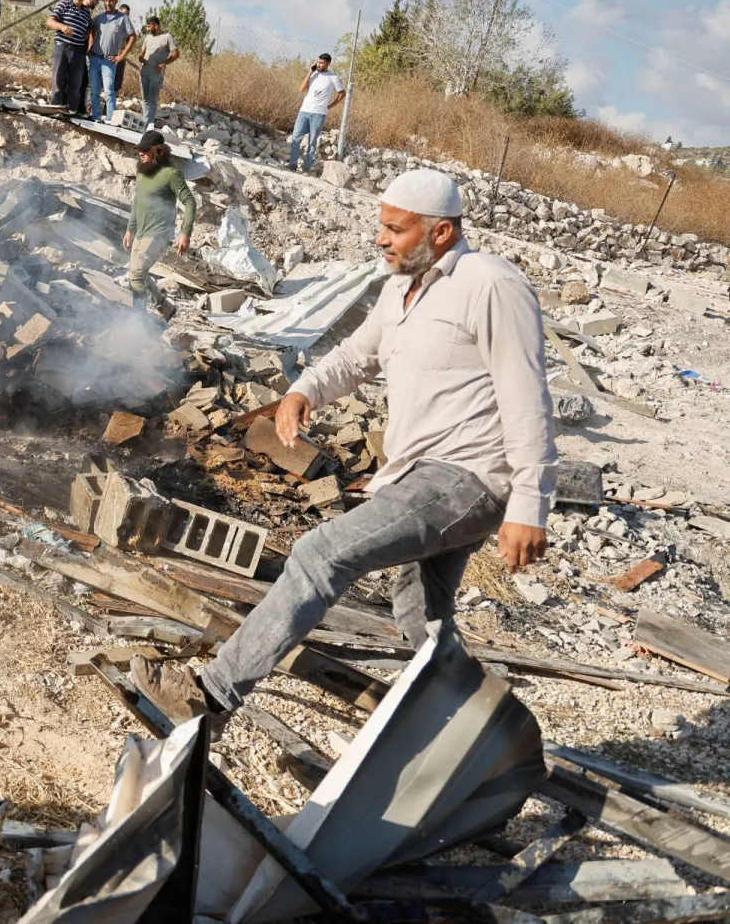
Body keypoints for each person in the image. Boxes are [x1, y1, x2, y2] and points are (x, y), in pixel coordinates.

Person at [130, 169, 556, 726]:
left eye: (396, 230)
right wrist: (303, 391)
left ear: (441, 232)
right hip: (417, 474)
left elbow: (527, 395)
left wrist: (529, 504)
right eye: (382, 226)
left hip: (467, 475)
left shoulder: (490, 284)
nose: (381, 239)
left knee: (321, 553)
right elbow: (357, 356)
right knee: (419, 612)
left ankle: (209, 696)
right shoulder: (400, 290)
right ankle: (478, 726)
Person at [122, 130, 194, 312]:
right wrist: (130, 229)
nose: (140, 153)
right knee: (137, 272)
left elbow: (189, 201)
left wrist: (186, 233)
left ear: (157, 151)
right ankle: (164, 307)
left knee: (136, 274)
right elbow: (137, 200)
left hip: (159, 232)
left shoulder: (171, 173)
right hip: (141, 231)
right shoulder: (142, 171)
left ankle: (138, 319)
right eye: (140, 149)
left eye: (145, 150)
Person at [289, 52, 345, 172]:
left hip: (319, 113)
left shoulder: (333, 78)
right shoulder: (313, 74)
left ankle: (306, 168)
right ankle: (292, 164)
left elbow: (342, 93)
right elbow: (301, 89)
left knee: (312, 141)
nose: (318, 64)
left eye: (321, 63)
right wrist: (309, 72)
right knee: (296, 137)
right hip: (304, 110)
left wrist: (330, 106)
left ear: (328, 64)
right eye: (318, 62)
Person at [46, 0, 97, 115]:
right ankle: (56, 109)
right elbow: (50, 21)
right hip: (62, 46)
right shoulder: (64, 5)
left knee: (76, 82)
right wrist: (62, 27)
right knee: (58, 78)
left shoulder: (86, 12)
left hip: (78, 50)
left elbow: (90, 27)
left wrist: (86, 39)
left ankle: (71, 111)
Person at [87, 0, 136, 122]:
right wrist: (89, 48)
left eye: (111, 1)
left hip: (109, 61)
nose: (108, 3)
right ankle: (95, 116)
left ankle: (110, 119)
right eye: (106, 0)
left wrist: (121, 56)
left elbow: (133, 37)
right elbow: (90, 31)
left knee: (109, 90)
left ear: (116, 2)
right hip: (94, 59)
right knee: (94, 90)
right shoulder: (99, 18)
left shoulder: (123, 19)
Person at [137, 15, 178, 128]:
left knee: (152, 100)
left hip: (156, 74)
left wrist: (164, 64)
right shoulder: (147, 37)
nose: (147, 29)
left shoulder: (167, 37)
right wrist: (141, 58)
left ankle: (148, 124)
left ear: (156, 25)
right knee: (145, 100)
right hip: (144, 72)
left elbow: (175, 54)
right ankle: (145, 123)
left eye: (149, 26)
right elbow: (142, 52)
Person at [114, 4, 134, 100]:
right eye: (124, 14)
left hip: (120, 57)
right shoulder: (111, 22)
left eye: (127, 15)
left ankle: (111, 105)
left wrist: (124, 51)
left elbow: (131, 40)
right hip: (108, 56)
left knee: (117, 83)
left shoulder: (128, 27)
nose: (125, 17)